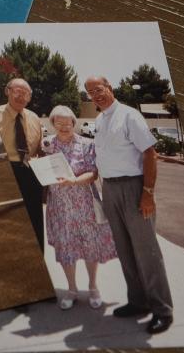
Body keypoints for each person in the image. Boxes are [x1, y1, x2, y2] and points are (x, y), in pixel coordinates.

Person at [85, 75, 174, 335]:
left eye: (99, 89)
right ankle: (138, 301)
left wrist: (147, 193)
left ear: (109, 87)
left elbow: (150, 153)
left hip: (134, 188)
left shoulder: (129, 115)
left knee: (147, 252)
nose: (96, 95)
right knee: (125, 250)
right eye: (91, 92)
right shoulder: (100, 121)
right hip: (110, 189)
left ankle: (162, 310)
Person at [41, 105, 117, 310]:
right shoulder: (47, 146)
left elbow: (93, 173)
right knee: (66, 247)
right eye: (59, 123)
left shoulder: (86, 144)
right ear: (53, 124)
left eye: (68, 123)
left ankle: (93, 287)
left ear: (74, 123)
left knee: (89, 245)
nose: (65, 126)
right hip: (59, 207)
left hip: (84, 204)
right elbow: (43, 170)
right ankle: (72, 289)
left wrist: (73, 181)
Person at [0, 78, 44, 249]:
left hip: (30, 172)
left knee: (35, 222)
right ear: (8, 91)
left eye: (26, 94)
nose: (21, 97)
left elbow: (40, 149)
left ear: (30, 97)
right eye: (17, 92)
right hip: (5, 173)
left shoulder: (35, 118)